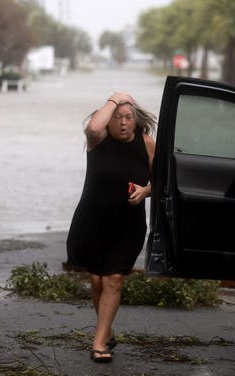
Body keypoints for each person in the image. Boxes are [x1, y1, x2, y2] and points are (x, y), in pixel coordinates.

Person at [66, 92, 156, 363]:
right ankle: (107, 331)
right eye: (117, 118)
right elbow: (93, 126)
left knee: (113, 280)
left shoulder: (146, 143)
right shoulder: (98, 140)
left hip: (127, 225)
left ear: (136, 120)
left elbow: (162, 179)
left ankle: (98, 343)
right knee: (96, 281)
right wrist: (115, 99)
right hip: (91, 221)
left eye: (128, 117)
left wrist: (146, 191)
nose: (123, 122)